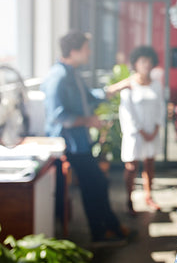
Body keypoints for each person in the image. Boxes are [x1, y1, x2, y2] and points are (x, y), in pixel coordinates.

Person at [42, 31, 131, 245]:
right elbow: (58, 115)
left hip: (78, 142)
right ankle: (105, 230)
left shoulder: (72, 73)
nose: (89, 52)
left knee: (96, 183)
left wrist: (117, 87)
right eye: (86, 48)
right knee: (96, 183)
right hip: (66, 145)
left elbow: (90, 96)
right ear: (74, 51)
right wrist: (87, 121)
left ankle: (105, 230)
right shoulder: (58, 76)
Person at [119, 46, 165, 215]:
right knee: (131, 166)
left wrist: (156, 128)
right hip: (134, 133)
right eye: (143, 61)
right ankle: (129, 199)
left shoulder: (156, 86)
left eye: (149, 61)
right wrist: (140, 130)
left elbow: (161, 106)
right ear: (136, 63)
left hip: (152, 131)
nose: (146, 65)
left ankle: (149, 196)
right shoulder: (129, 85)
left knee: (149, 164)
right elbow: (126, 111)